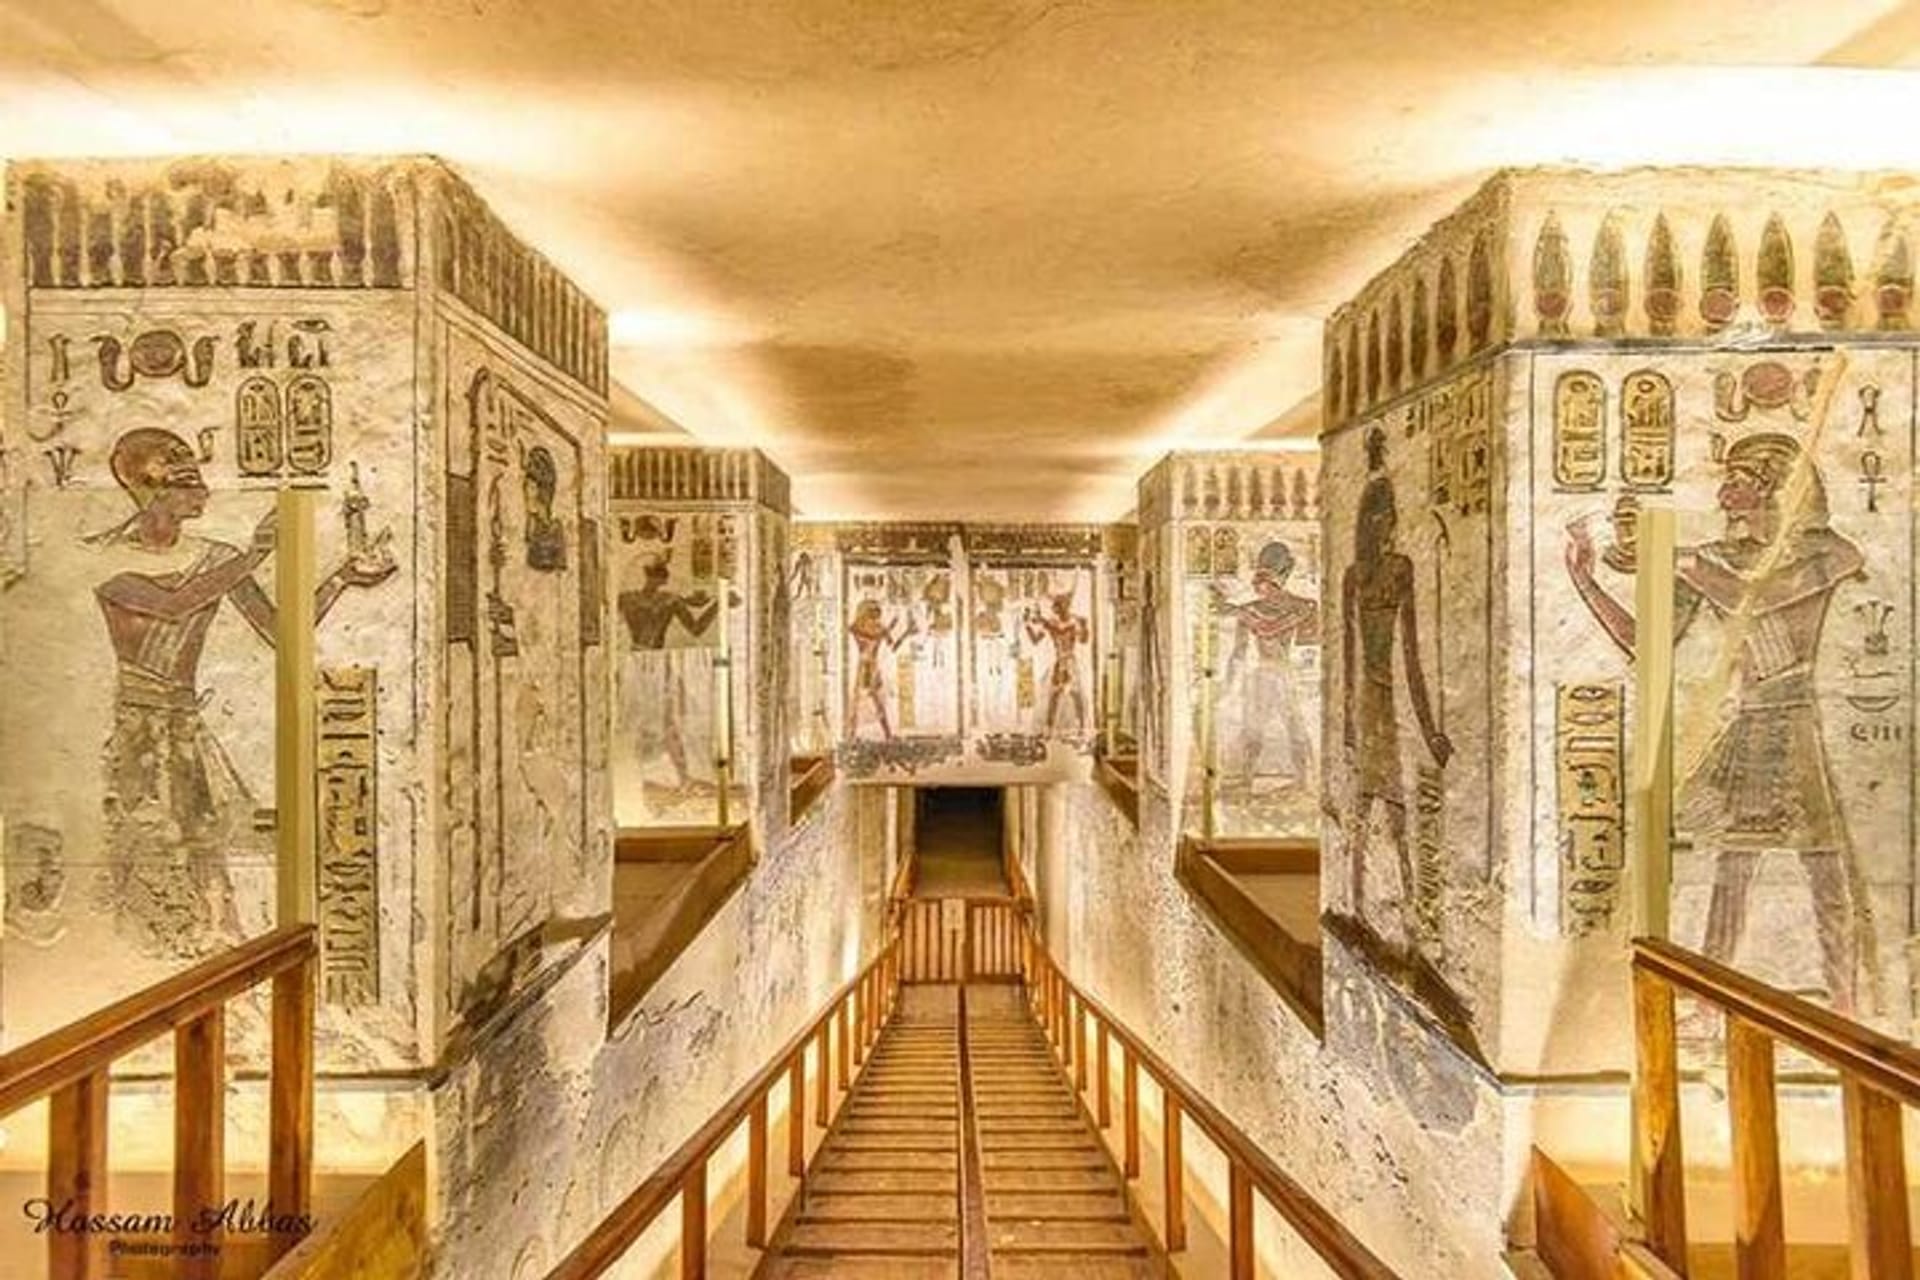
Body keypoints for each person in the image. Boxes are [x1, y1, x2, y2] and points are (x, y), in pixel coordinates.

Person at [1566, 431, 1869, 1012]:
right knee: (1733, 871)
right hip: (1750, 726)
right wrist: (1587, 580)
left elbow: (1760, 597)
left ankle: (1846, 1010)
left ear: (1770, 485)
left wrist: (1680, 561)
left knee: (1825, 871)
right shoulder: (1716, 559)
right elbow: (1645, 643)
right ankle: (1711, 1004)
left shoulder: (1827, 551)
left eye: (1735, 478)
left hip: (1794, 726)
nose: (1723, 491)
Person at [91, 428, 393, 958]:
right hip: (137, 725)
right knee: (142, 839)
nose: (204, 487)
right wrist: (256, 553)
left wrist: (342, 578)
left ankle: (215, 945)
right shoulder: (104, 555)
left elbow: (281, 630)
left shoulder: (216, 556)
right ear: (151, 488)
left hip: (184, 724)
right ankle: (145, 957)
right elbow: (172, 605)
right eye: (187, 477)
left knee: (203, 836)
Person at [1342, 428, 1451, 937]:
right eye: (1385, 517)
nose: (1389, 524)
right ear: (1380, 523)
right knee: (1382, 805)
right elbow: (1401, 661)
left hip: (1376, 701)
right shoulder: (1378, 573)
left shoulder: (1375, 573)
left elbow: (1402, 660)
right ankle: (1373, 904)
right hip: (1376, 700)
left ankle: (1381, 905)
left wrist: (1428, 732)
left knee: (1381, 804)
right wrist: (1427, 731)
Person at [1214, 540, 1318, 788]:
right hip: (1262, 673)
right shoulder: (1251, 609)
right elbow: (1238, 652)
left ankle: (1304, 779)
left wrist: (1240, 612)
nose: (1259, 588)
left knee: (1295, 726)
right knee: (1253, 726)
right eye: (1257, 581)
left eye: (1265, 581)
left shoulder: (1302, 605)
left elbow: (1270, 629)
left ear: (1277, 580)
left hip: (1285, 673)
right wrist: (1227, 684)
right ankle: (1246, 777)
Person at [617, 557, 721, 790]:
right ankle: (664, 776)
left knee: (663, 721)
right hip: (645, 663)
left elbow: (696, 629)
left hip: (642, 661)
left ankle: (677, 776)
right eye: (660, 577)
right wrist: (716, 605)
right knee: (655, 721)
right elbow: (696, 628)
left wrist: (710, 603)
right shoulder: (663, 600)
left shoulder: (630, 599)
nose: (659, 581)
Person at [1024, 589, 1090, 734]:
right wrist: (1027, 625)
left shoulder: (1073, 622)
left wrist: (1084, 627)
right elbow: (1035, 640)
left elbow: (1084, 640)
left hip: (1070, 661)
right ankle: (1049, 728)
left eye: (1060, 606)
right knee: (1054, 695)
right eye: (1057, 606)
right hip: (1060, 661)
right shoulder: (1053, 622)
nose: (1058, 610)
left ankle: (1081, 727)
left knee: (1075, 694)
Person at [848, 598, 915, 740]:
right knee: (858, 700)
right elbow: (867, 638)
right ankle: (853, 733)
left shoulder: (879, 628)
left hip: (873, 666)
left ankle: (886, 734)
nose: (874, 619)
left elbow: (892, 646)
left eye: (876, 615)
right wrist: (889, 629)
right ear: (864, 614)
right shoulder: (858, 628)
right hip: (864, 666)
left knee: (877, 700)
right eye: (871, 615)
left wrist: (905, 633)